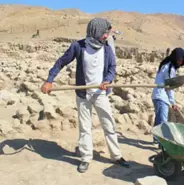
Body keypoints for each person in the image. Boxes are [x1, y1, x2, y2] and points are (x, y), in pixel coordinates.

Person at [40, 17, 130, 173]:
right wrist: (49, 80)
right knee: (85, 127)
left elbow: (112, 68)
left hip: (100, 93)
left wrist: (107, 80)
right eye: (104, 32)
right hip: (83, 94)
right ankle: (86, 157)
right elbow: (61, 62)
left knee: (109, 124)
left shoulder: (107, 48)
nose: (106, 35)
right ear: (96, 32)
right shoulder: (78, 46)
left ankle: (116, 156)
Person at [151, 47, 184, 143]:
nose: (180, 63)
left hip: (157, 96)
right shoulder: (170, 68)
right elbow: (170, 87)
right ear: (176, 58)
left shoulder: (165, 64)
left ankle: (156, 139)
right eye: (179, 60)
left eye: (182, 61)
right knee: (163, 122)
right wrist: (173, 102)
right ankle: (162, 143)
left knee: (159, 119)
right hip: (160, 96)